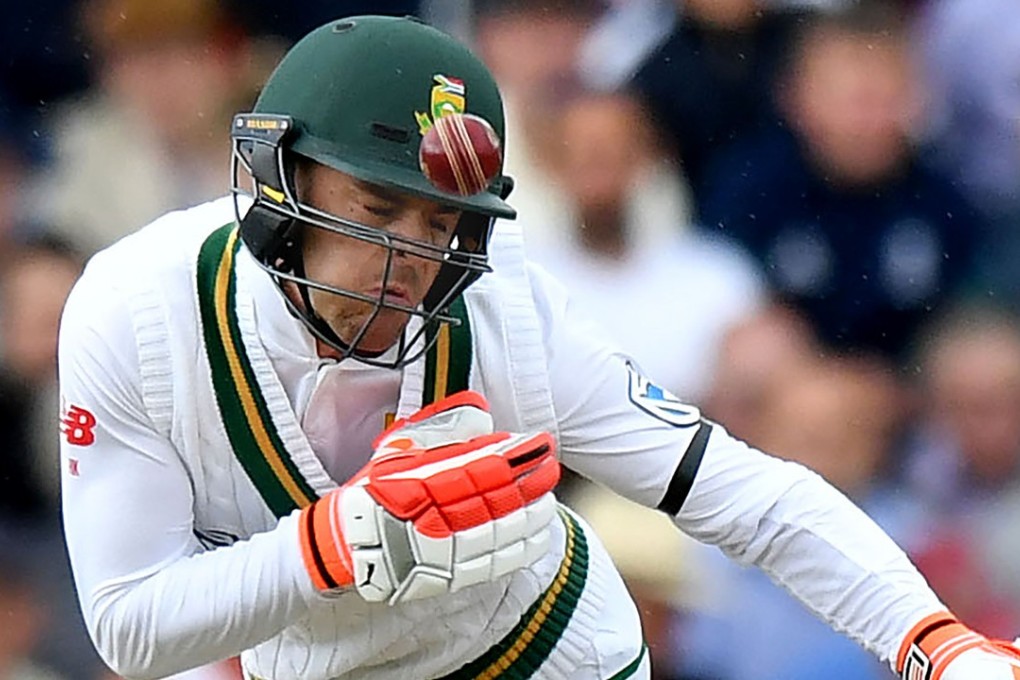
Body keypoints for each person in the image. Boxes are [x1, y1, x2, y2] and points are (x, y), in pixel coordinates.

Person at [58, 14, 1020, 680]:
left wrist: (930, 639)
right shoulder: (135, 312)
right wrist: (338, 541)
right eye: (378, 207)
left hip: (546, 656)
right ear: (279, 180)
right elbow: (129, 627)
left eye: (441, 222)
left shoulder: (505, 307)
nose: (410, 258)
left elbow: (735, 490)